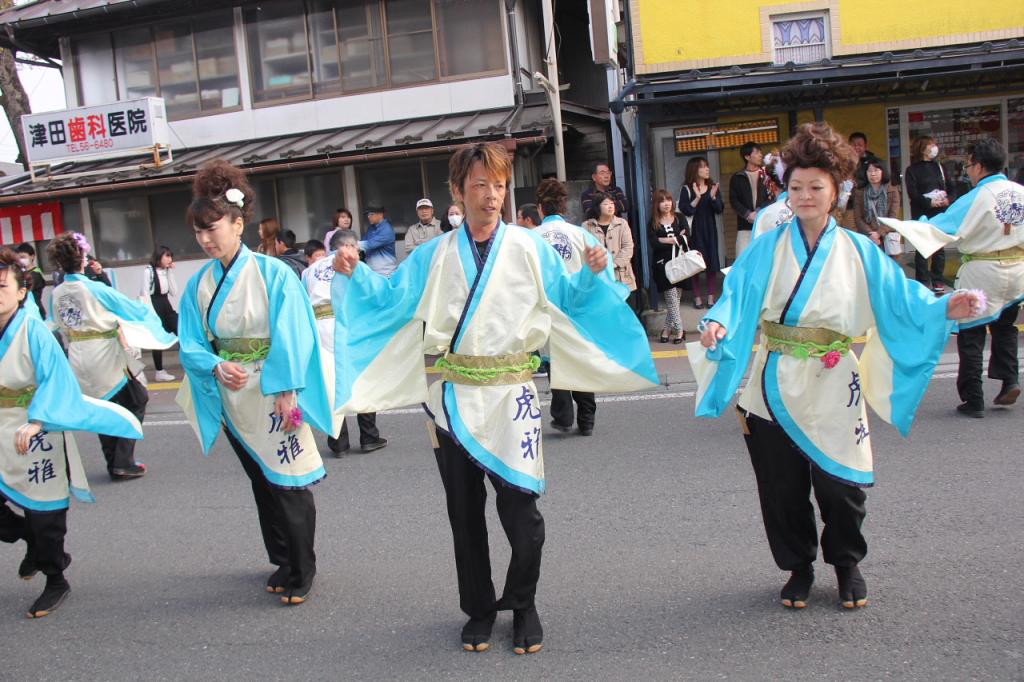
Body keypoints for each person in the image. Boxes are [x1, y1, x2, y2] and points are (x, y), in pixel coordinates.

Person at [329, 142, 657, 654]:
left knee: (523, 517)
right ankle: (479, 608)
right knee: (464, 516)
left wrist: (593, 273)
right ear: (457, 191)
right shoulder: (432, 255)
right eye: (480, 185)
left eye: (499, 185)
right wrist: (355, 273)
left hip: (512, 396)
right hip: (454, 399)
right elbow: (390, 301)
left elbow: (569, 301)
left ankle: (523, 604)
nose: (491, 195)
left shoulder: (529, 248)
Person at [690, 122, 981, 611]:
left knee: (842, 486)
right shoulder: (769, 244)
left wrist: (942, 308)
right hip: (774, 379)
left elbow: (900, 297)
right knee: (782, 489)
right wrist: (716, 324)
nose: (805, 196)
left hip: (833, 378)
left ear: (836, 192)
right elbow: (737, 296)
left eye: (816, 188)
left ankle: (847, 562)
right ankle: (798, 567)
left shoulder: (858, 250)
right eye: (797, 186)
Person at [176, 159, 332, 606]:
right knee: (262, 480)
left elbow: (293, 333)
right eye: (199, 232)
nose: (206, 239)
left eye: (214, 228)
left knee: (290, 479)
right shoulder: (199, 284)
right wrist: (213, 364)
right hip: (234, 395)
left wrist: (286, 390)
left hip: (275, 392)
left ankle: (304, 565)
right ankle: (282, 560)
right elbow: (190, 341)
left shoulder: (274, 273)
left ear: (238, 223)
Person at [0, 248, 144, 619]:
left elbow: (56, 380)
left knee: (44, 512)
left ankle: (54, 576)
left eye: (2, 286)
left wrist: (38, 420)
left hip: (36, 427)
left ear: (21, 291)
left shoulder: (33, 330)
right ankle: (28, 538)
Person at [879, 137, 1024, 417]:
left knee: (971, 333)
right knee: (1006, 326)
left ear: (980, 167)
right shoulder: (1020, 191)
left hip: (984, 270)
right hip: (1018, 269)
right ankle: (1010, 380)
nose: (967, 171)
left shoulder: (977, 197)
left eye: (969, 165)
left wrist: (896, 225)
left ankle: (974, 399)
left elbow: (938, 228)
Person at [49, 232, 176, 481]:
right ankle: (123, 461)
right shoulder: (92, 288)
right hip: (103, 352)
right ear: (83, 257)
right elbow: (132, 309)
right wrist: (145, 313)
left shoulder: (57, 292)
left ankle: (114, 462)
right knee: (136, 399)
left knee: (103, 407)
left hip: (76, 353)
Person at [301, 229, 388, 456]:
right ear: (349, 246)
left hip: (319, 327)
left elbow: (303, 300)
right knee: (360, 379)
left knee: (332, 383)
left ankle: (338, 442)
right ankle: (369, 436)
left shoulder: (310, 271)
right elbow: (372, 296)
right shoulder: (356, 265)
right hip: (349, 324)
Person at [537, 179, 599, 437]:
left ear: (540, 208)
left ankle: (563, 417)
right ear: (564, 206)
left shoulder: (532, 238)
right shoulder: (580, 234)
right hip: (576, 305)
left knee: (555, 361)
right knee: (579, 359)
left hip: (547, 307)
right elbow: (597, 269)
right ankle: (587, 419)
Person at [904, 135, 953, 292]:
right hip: (921, 212)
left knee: (939, 248)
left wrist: (948, 200)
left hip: (939, 213)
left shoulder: (940, 167)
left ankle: (938, 280)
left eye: (934, 144)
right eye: (930, 144)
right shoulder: (912, 170)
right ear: (922, 148)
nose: (934, 147)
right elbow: (913, 193)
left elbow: (951, 186)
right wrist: (929, 202)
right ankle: (922, 281)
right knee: (922, 248)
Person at [679, 157, 724, 310]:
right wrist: (697, 198)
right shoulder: (687, 189)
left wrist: (712, 197)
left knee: (711, 262)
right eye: (703, 167)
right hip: (694, 230)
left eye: (707, 166)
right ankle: (697, 298)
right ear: (694, 169)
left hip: (710, 229)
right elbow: (685, 210)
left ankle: (711, 297)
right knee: (695, 264)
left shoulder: (713, 187)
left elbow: (719, 209)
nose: (707, 169)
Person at [582, 191, 637, 311]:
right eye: (606, 204)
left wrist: (615, 263)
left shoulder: (622, 223)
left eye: (612, 203)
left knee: (626, 313)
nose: (610, 206)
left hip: (622, 276)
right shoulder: (587, 226)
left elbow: (628, 247)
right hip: (599, 278)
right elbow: (585, 250)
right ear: (597, 207)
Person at [649, 189, 689, 341]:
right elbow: (653, 242)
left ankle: (665, 330)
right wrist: (673, 239)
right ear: (657, 204)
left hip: (680, 262)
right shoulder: (653, 221)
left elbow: (687, 235)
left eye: (668, 200)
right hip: (662, 265)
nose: (666, 204)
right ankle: (679, 331)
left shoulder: (679, 217)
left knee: (675, 300)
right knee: (672, 298)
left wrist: (663, 239)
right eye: (662, 201)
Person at [138, 245, 180, 383]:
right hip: (154, 306)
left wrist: (171, 273)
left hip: (166, 305)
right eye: (166, 256)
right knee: (158, 340)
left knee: (181, 330)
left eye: (170, 256)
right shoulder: (148, 271)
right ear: (159, 256)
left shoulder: (166, 271)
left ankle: (192, 363)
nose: (170, 259)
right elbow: (145, 293)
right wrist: (151, 315)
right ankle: (159, 371)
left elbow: (174, 292)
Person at [729, 142, 774, 258]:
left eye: (760, 152)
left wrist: (759, 211)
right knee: (743, 258)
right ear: (747, 157)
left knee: (764, 258)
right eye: (757, 152)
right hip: (745, 227)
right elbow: (733, 200)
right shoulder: (737, 177)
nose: (760, 155)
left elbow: (772, 197)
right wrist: (747, 214)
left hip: (764, 225)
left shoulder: (767, 175)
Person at [853, 157, 900, 253]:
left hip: (887, 236)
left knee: (888, 266)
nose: (873, 174)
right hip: (867, 237)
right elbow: (858, 218)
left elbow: (893, 217)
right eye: (869, 171)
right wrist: (871, 234)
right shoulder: (860, 192)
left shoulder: (892, 191)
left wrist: (878, 233)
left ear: (883, 172)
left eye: (876, 170)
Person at [358, 206, 397, 276]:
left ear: (380, 214)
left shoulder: (387, 229)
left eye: (371, 214)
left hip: (386, 273)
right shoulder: (370, 228)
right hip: (371, 272)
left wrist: (350, 244)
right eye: (368, 214)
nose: (368, 216)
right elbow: (363, 243)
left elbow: (370, 244)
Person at [14, 243, 46, 317]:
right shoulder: (23, 272)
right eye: (18, 258)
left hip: (35, 311)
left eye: (23, 257)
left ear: (32, 256)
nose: (21, 260)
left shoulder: (36, 273)